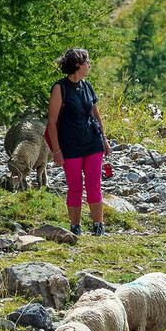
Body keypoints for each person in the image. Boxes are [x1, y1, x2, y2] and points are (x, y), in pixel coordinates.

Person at [43, 46, 110, 237]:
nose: (90, 66)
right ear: (78, 65)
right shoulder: (60, 88)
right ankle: (75, 227)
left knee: (94, 185)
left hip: (93, 143)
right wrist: (57, 151)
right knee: (75, 188)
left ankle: (98, 226)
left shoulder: (87, 86)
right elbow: (52, 122)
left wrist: (104, 139)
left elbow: (95, 115)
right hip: (70, 146)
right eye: (87, 62)